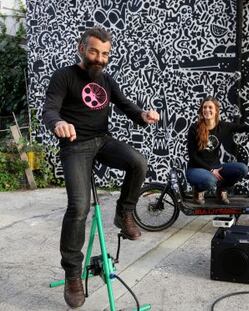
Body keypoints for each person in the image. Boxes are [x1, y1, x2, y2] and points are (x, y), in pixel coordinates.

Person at [42, 27, 159, 309]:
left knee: (138, 162)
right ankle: (72, 274)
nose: (99, 58)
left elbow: (126, 105)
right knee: (79, 207)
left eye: (105, 53)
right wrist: (58, 123)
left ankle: (124, 213)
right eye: (94, 51)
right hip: (75, 146)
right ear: (80, 48)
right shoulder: (64, 77)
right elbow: (49, 109)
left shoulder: (107, 80)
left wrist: (143, 115)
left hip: (102, 141)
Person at [186, 96, 249, 205]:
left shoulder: (222, 126)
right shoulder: (194, 128)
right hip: (195, 169)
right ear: (201, 110)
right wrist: (211, 170)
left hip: (215, 167)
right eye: (204, 107)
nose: (207, 110)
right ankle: (198, 191)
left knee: (242, 169)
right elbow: (192, 156)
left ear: (216, 111)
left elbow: (242, 127)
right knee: (210, 181)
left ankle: (222, 190)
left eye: (210, 107)